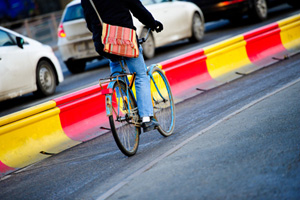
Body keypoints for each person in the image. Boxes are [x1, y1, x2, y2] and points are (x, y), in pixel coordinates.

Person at [81, 0, 164, 132]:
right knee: (141, 76)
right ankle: (146, 119)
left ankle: (127, 108)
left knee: (117, 71)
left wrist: (104, 32)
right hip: (125, 40)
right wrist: (152, 23)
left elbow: (89, 22)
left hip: (104, 43)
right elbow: (137, 9)